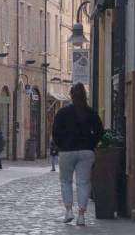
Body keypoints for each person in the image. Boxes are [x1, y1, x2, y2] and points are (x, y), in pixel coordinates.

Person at [52, 83, 104, 226]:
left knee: (66, 181)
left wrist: (61, 144)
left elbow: (55, 132)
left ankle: (69, 211)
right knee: (83, 182)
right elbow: (100, 132)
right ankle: (81, 215)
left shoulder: (62, 113)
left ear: (71, 96)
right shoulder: (91, 113)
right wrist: (91, 144)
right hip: (86, 151)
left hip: (67, 151)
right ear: (85, 96)